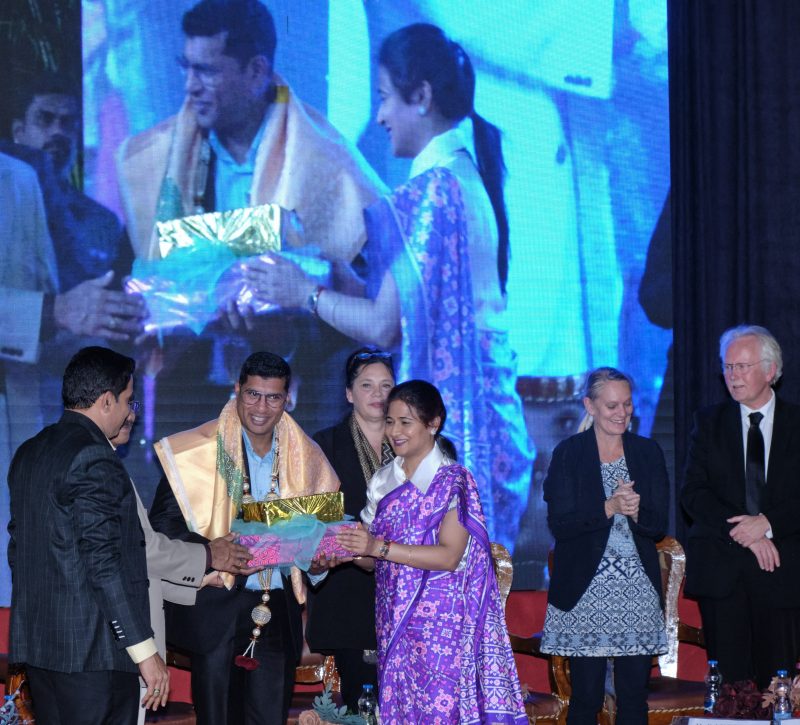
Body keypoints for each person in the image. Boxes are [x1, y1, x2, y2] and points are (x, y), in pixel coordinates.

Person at [244, 23, 534, 552]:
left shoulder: (433, 190)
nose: (379, 116)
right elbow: (402, 313)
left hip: (460, 427)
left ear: (420, 96)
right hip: (484, 421)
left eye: (384, 98)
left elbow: (384, 325)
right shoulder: (459, 176)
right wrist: (335, 277)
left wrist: (304, 293)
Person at [116, 0, 385, 435]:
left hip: (298, 409)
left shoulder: (327, 167)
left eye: (206, 71)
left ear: (257, 71)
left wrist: (284, 339)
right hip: (190, 405)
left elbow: (365, 317)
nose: (190, 86)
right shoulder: (156, 159)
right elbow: (138, 281)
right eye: (186, 68)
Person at [148, 351, 340, 725]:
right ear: (237, 390)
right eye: (253, 395)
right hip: (215, 609)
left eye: (273, 398)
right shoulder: (199, 450)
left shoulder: (307, 456)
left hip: (278, 609)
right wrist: (211, 552)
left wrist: (318, 563)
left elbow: (321, 535)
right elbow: (163, 527)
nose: (261, 408)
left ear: (288, 399)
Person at [335, 379, 526, 724]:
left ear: (433, 423)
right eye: (390, 421)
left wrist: (377, 547)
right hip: (393, 618)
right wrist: (345, 549)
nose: (395, 431)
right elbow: (372, 561)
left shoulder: (454, 480)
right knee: (400, 710)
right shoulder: (382, 481)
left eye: (405, 422)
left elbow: (449, 556)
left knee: (441, 712)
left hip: (442, 624)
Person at [7, 346, 169, 724]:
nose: (131, 412)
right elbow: (104, 563)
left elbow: (19, 549)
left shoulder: (30, 451)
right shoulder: (95, 456)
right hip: (94, 656)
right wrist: (145, 651)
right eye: (128, 400)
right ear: (107, 400)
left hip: (42, 650)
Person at [109, 402, 254, 725]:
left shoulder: (297, 455)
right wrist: (209, 556)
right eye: (128, 401)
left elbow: (133, 561)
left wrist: (198, 579)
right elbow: (141, 551)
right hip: (109, 639)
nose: (133, 414)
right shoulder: (189, 456)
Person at [540, 367, 668, 725]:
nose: (621, 413)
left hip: (637, 594)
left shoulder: (647, 452)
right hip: (585, 594)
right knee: (586, 698)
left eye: (627, 404)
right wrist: (608, 508)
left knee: (633, 699)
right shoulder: (569, 453)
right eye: (612, 406)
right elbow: (561, 524)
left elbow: (658, 525)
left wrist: (637, 511)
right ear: (590, 406)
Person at [681, 325, 800, 687]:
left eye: (742, 367)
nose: (732, 375)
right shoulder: (707, 422)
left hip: (781, 572)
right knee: (730, 689)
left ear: (770, 370)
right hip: (722, 571)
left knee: (777, 689)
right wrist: (747, 532)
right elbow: (694, 493)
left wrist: (767, 523)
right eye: (728, 367)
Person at [306, 346, 395, 712]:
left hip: (408, 592)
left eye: (386, 385)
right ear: (348, 393)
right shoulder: (324, 446)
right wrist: (360, 550)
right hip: (349, 594)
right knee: (365, 706)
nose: (378, 394)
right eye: (367, 385)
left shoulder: (414, 444)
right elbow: (316, 522)